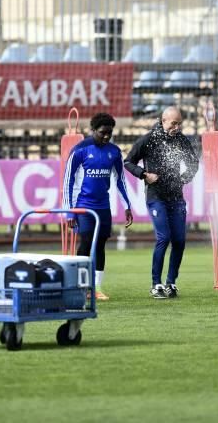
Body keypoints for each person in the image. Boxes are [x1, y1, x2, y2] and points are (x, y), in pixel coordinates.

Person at [125, 106, 199, 299]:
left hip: (176, 197)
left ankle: (171, 283)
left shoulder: (181, 140)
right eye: (174, 123)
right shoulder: (148, 139)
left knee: (180, 241)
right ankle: (155, 284)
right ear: (163, 120)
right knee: (163, 238)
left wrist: (184, 178)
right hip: (156, 196)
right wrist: (144, 175)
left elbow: (193, 162)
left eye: (179, 123)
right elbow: (128, 162)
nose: (177, 127)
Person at [63, 112, 133, 301]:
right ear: (93, 130)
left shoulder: (114, 151)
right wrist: (69, 211)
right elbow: (67, 181)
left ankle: (96, 288)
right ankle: (80, 287)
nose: (106, 136)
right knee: (85, 244)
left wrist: (127, 205)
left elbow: (120, 180)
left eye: (109, 133)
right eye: (102, 132)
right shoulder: (80, 150)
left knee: (100, 245)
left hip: (103, 207)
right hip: (83, 207)